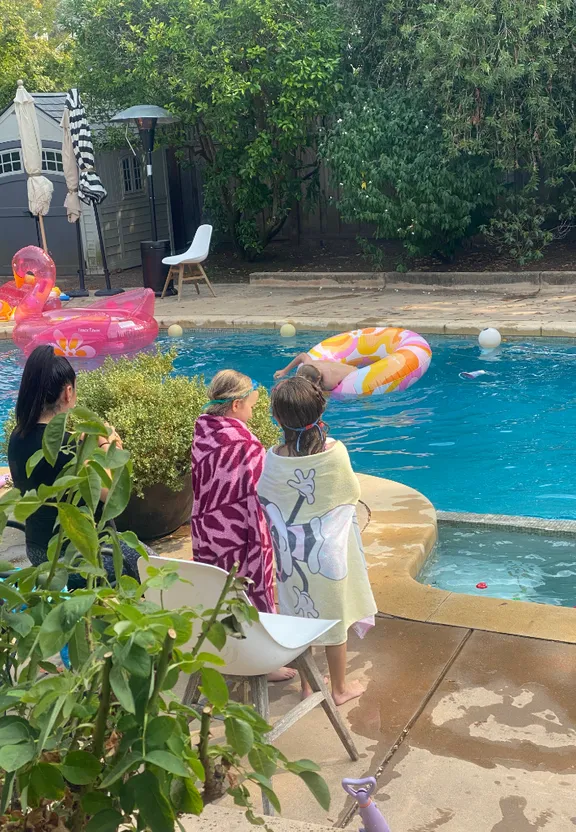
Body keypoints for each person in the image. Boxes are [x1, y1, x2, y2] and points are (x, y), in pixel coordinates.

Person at [258, 376, 377, 705]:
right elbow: (350, 493)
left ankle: (309, 685)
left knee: (300, 610)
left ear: (277, 417)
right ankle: (338, 689)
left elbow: (265, 496)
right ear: (319, 409)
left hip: (290, 556)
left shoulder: (274, 458)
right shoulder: (334, 454)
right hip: (328, 555)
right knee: (333, 616)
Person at [8, 345, 148, 588]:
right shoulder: (69, 449)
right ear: (68, 392)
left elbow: (49, 453)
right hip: (82, 557)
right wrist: (108, 445)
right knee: (152, 567)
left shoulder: (17, 436)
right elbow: (112, 496)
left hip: (38, 550)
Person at [191, 369, 296, 682]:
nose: (255, 405)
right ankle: (263, 663)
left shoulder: (203, 430)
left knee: (219, 592)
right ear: (235, 405)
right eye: (251, 401)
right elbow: (260, 489)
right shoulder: (244, 443)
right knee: (251, 593)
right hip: (240, 532)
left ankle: (226, 655)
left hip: (208, 530)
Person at [274, 352, 355, 391]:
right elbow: (302, 355)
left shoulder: (329, 382)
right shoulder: (308, 364)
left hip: (354, 372)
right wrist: (284, 371)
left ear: (318, 379)